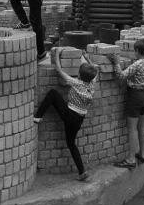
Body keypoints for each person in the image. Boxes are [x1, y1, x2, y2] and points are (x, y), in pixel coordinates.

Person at [33, 47, 99, 181]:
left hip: (69, 115)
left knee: (53, 94)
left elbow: (58, 70)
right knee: (71, 143)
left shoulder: (76, 83)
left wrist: (56, 54)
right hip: (79, 119)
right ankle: (82, 172)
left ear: (80, 75)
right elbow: (95, 71)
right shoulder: (92, 84)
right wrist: (87, 57)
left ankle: (38, 117)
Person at [107, 37, 144, 170]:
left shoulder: (137, 64)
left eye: (135, 51)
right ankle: (141, 154)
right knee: (142, 126)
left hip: (135, 96)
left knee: (132, 128)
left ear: (138, 51)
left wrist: (116, 63)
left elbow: (121, 76)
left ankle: (131, 159)